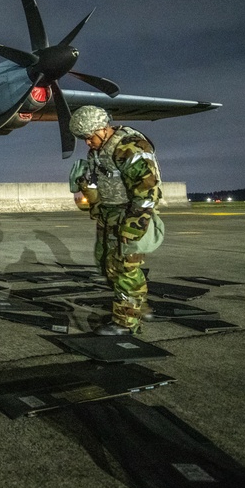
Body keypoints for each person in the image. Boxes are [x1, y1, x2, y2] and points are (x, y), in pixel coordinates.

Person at [68, 106, 164, 335]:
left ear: (102, 129)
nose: (87, 143)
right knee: (107, 266)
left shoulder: (130, 147)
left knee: (125, 269)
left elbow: (148, 193)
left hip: (129, 216)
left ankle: (125, 324)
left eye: (89, 137)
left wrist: (132, 228)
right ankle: (138, 308)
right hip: (108, 215)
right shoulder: (99, 149)